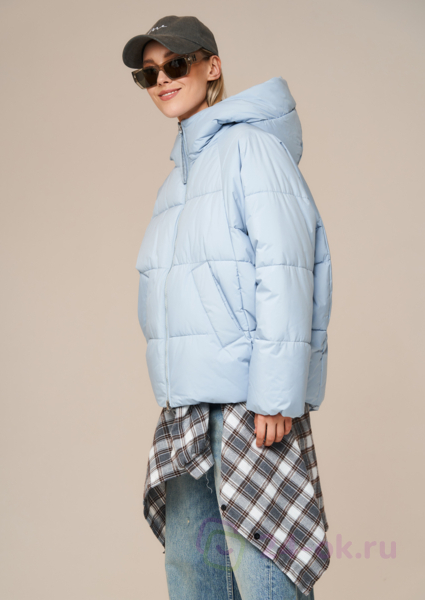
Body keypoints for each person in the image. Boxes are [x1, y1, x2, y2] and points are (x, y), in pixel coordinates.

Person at [122, 15, 333, 600]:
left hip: (249, 404)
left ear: (211, 67)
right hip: (187, 409)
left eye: (175, 64)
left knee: (265, 575)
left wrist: (277, 394)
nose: (163, 80)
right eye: (149, 74)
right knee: (193, 576)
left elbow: (287, 269)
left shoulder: (251, 149)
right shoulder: (177, 182)